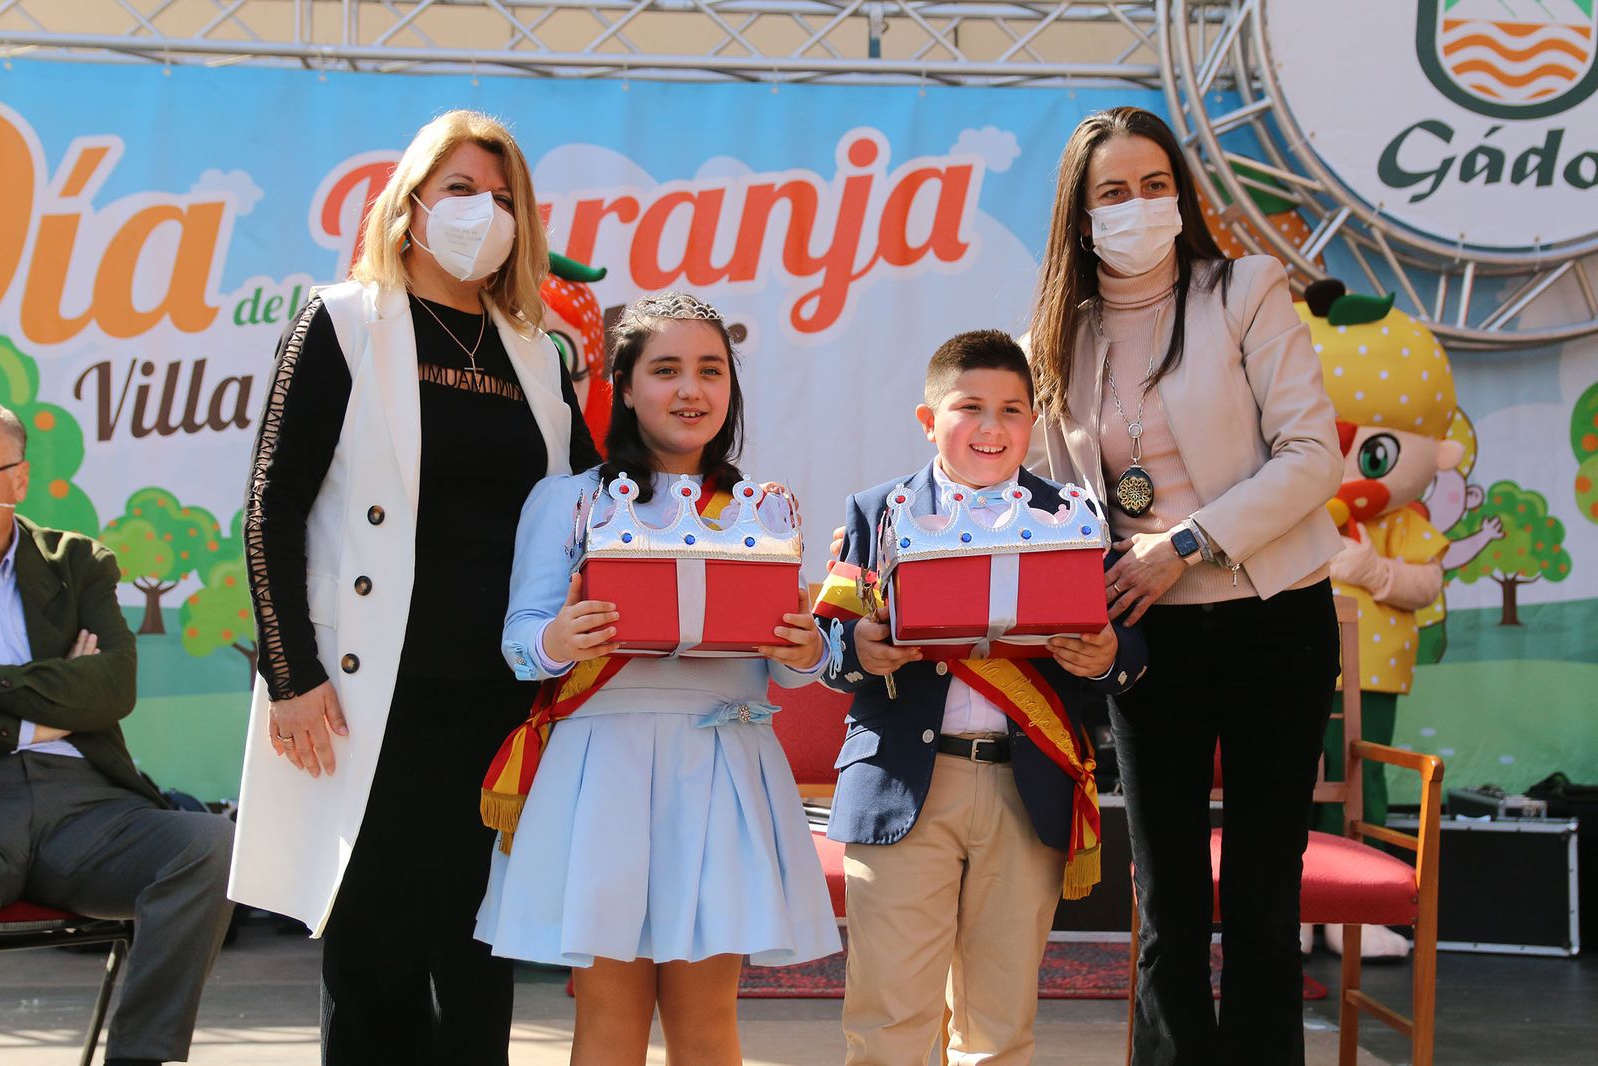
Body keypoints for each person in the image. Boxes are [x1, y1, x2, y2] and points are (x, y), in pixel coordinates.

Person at [228, 110, 599, 1066]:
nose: (486, 213)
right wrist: (290, 674)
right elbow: (269, 505)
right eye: (464, 191)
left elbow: (598, 505)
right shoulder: (343, 321)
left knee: (479, 962)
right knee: (376, 965)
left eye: (506, 197)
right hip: (365, 700)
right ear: (409, 208)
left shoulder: (537, 351)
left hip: (503, 701)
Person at [1025, 106, 1343, 1065]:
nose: (1137, 207)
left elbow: (1312, 455)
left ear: (1182, 195)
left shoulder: (1245, 288)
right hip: (1147, 640)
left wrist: (1187, 542)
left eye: (1154, 186)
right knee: (1165, 898)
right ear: (1080, 218)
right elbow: (1051, 506)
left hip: (1274, 619)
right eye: (1111, 193)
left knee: (1258, 893)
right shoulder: (1056, 335)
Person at [474, 291, 840, 1066]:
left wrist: (806, 652)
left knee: (708, 1025)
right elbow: (516, 644)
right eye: (666, 369)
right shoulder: (569, 500)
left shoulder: (761, 510)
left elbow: (786, 666)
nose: (690, 390)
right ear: (627, 385)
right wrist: (556, 638)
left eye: (711, 370)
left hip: (724, 770)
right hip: (603, 772)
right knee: (609, 1022)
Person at [817, 330, 1147, 1065]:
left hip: (1023, 788)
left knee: (997, 1026)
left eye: (1014, 410)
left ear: (1035, 423)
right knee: (888, 1020)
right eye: (970, 408)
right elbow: (827, 647)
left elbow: (1125, 647)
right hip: (901, 785)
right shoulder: (880, 511)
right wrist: (860, 652)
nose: (994, 428)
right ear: (929, 421)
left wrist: (1106, 656)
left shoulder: (1072, 516)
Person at [0, 403, 235, 1066]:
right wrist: (52, 701)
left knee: (206, 846)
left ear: (18, 481)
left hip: (85, 807)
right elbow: (84, 693)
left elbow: (114, 689)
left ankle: (140, 1059)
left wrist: (16, 703)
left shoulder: (76, 563)